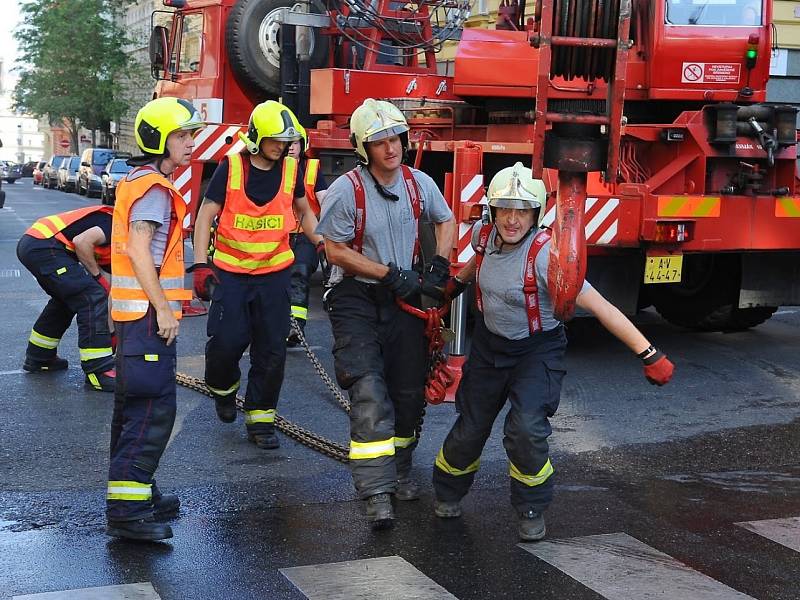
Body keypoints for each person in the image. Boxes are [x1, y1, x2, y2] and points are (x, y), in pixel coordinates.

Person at [432, 162, 675, 542]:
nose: (512, 220)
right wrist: (443, 296)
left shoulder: (548, 256)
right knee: (469, 429)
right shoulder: (484, 237)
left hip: (536, 352)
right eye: (505, 210)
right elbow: (471, 268)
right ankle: (447, 492)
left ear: (536, 213)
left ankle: (531, 508)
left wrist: (649, 354)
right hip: (489, 350)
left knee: (526, 430)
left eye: (522, 211)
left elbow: (602, 307)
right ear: (492, 212)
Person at [316, 98, 456, 530]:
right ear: (364, 148)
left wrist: (439, 265)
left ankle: (400, 470)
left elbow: (445, 221)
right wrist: (386, 273)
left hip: (405, 298)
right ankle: (377, 492)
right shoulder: (346, 191)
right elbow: (335, 250)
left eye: (395, 138)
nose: (390, 148)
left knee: (408, 393)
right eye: (379, 142)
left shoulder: (419, 184)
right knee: (370, 389)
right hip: (357, 299)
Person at [191, 100, 321, 450]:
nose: (282, 146)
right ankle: (223, 388)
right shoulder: (231, 168)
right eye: (275, 140)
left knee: (271, 352)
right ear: (256, 138)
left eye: (286, 140)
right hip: (231, 275)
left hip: (274, 276)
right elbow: (205, 218)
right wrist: (201, 264)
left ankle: (261, 420)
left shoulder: (291, 171)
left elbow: (304, 212)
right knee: (225, 345)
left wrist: (322, 242)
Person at [105, 97, 203, 541]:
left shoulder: (138, 181)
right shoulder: (154, 190)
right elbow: (138, 249)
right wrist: (163, 307)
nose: (190, 143)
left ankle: (137, 493)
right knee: (152, 409)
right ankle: (127, 511)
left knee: (133, 409)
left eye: (190, 135)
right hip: (147, 317)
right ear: (158, 140)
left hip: (133, 317)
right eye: (182, 136)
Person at [17, 205, 116, 391]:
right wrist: (97, 277)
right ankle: (99, 371)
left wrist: (112, 334)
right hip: (45, 246)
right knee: (91, 297)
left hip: (34, 244)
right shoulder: (115, 222)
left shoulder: (118, 243)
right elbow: (82, 242)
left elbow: (113, 291)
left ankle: (40, 357)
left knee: (68, 300)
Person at [286, 123, 329, 346]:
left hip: (306, 233)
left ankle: (295, 326)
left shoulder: (312, 168)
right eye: (288, 143)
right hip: (279, 234)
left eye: (295, 143)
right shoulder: (274, 168)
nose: (292, 147)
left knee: (300, 272)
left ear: (302, 145)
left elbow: (324, 198)